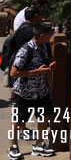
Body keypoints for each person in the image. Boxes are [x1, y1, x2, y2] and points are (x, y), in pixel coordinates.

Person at [8, 22, 55, 159]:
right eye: (49, 34)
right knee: (17, 120)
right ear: (41, 36)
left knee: (44, 117)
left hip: (41, 90)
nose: (51, 36)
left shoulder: (45, 46)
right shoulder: (26, 50)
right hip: (24, 92)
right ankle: (13, 147)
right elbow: (14, 73)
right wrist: (36, 72)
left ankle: (39, 144)